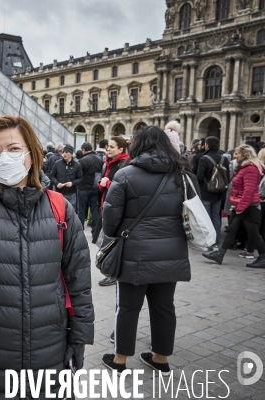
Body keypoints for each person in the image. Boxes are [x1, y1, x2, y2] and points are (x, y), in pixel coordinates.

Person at [0, 116, 94, 399]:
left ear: (31, 154)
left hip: (52, 353)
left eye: (13, 149)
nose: (4, 157)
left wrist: (80, 338)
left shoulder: (59, 208)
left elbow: (79, 281)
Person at [101, 126, 194, 376]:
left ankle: (120, 359)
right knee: (164, 307)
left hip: (134, 252)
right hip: (171, 251)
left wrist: (115, 234)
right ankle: (160, 359)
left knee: (128, 307)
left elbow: (110, 218)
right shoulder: (181, 175)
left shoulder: (125, 174)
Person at [203, 144, 265, 268]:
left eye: (237, 153)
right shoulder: (244, 167)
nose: (234, 155)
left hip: (249, 206)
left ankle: (263, 258)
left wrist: (241, 207)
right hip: (242, 204)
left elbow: (249, 190)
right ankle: (220, 254)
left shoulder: (251, 168)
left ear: (244, 155)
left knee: (253, 233)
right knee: (231, 229)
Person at [95, 136, 131, 286]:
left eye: (111, 147)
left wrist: (108, 183)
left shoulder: (124, 164)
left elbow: (123, 189)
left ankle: (113, 273)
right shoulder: (109, 163)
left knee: (110, 242)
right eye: (107, 146)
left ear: (121, 150)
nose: (107, 149)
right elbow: (104, 184)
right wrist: (102, 183)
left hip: (117, 210)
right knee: (104, 241)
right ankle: (112, 271)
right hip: (106, 206)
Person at [196, 136, 229, 248]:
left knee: (205, 218)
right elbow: (227, 177)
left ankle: (206, 242)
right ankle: (215, 243)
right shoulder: (224, 159)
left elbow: (199, 177)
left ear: (207, 145)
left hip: (206, 192)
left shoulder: (204, 159)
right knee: (216, 217)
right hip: (219, 192)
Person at [77, 142, 103, 233]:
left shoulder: (82, 160)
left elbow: (78, 175)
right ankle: (94, 229)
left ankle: (80, 229)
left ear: (83, 150)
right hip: (95, 187)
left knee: (81, 209)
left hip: (83, 187)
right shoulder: (99, 159)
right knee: (94, 208)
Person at [50, 143, 82, 211]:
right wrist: (56, 183)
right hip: (59, 193)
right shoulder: (57, 163)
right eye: (64, 152)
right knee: (59, 211)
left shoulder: (77, 165)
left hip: (71, 194)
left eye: (67, 152)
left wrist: (72, 183)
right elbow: (51, 176)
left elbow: (80, 179)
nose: (64, 154)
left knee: (71, 213)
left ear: (71, 154)